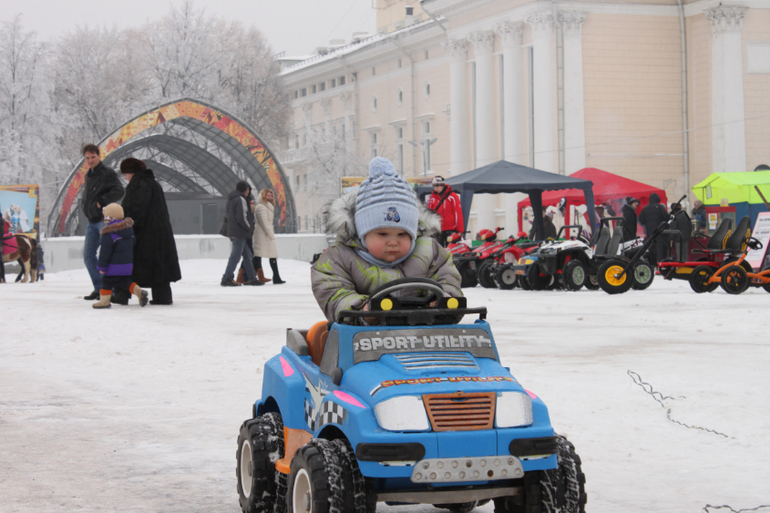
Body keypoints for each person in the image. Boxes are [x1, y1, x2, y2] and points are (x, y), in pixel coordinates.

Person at [311, 157, 462, 323]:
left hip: (423, 331)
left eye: (402, 234)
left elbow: (447, 277)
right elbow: (334, 292)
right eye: (382, 234)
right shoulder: (340, 258)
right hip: (363, 334)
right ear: (362, 233)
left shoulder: (429, 252)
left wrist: (444, 298)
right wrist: (364, 309)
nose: (393, 242)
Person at [118, 158, 182, 305]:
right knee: (159, 266)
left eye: (126, 174)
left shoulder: (138, 185)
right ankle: (162, 296)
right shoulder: (153, 183)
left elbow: (136, 209)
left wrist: (128, 226)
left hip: (145, 233)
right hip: (160, 231)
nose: (126, 178)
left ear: (132, 172)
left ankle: (122, 293)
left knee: (131, 264)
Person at [80, 144, 124, 300]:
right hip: (91, 221)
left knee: (107, 255)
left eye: (93, 157)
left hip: (103, 220)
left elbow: (119, 190)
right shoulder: (89, 174)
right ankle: (99, 288)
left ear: (99, 156)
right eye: (87, 158)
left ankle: (108, 289)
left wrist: (100, 202)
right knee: (88, 256)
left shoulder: (107, 173)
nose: (90, 160)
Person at [92, 203, 148, 309]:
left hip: (112, 266)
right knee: (124, 281)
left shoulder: (109, 234)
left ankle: (104, 302)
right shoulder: (129, 231)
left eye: (105, 216)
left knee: (107, 281)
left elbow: (104, 253)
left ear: (110, 218)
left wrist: (101, 267)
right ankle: (139, 292)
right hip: (127, 265)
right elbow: (133, 243)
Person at [221, 181, 261, 287]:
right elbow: (242, 217)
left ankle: (252, 278)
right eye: (248, 189)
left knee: (247, 255)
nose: (248, 191)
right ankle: (226, 278)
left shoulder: (231, 199)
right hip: (239, 232)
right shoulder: (240, 199)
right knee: (235, 256)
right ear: (245, 190)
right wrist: (249, 228)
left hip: (233, 231)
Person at [253, 188, 285, 284]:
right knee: (258, 255)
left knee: (272, 255)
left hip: (266, 234)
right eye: (268, 195)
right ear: (263, 196)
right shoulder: (261, 207)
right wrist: (271, 234)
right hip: (261, 234)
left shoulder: (268, 206)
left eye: (271, 195)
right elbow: (264, 222)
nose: (270, 197)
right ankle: (254, 276)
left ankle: (276, 276)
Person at [427, 175, 464, 246]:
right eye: (434, 186)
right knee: (437, 249)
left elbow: (458, 214)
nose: (436, 188)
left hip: (451, 229)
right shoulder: (433, 198)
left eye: (437, 186)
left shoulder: (453, 197)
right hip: (438, 229)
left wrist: (460, 231)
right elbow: (429, 215)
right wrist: (430, 230)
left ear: (442, 185)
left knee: (451, 249)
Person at [637, 192, 669, 267]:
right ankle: (660, 265)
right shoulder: (660, 207)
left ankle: (652, 265)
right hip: (660, 232)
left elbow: (641, 220)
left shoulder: (645, 209)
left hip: (650, 233)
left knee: (651, 248)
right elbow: (666, 218)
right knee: (660, 249)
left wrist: (647, 225)